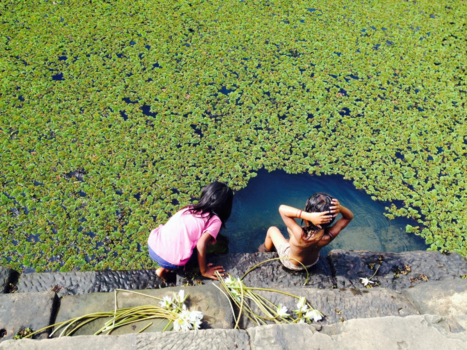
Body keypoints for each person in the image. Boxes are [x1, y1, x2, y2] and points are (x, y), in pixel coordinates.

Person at [148, 181, 233, 281]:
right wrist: (204, 270)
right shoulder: (215, 220)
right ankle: (167, 267)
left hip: (153, 246)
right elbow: (201, 244)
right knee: (202, 248)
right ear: (226, 207)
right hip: (169, 261)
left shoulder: (189, 208)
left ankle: (162, 270)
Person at [259, 193, 353, 271]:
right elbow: (348, 217)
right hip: (312, 262)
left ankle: (264, 251)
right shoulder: (329, 236)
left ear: (308, 216)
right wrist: (340, 208)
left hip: (292, 263)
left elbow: (282, 209)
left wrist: (307, 216)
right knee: (290, 230)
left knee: (272, 230)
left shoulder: (301, 235)